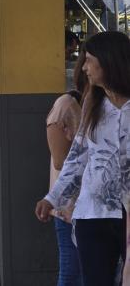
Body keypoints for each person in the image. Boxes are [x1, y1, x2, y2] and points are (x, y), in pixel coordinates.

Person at [36, 31, 130, 285]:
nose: (84, 67)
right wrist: (52, 198)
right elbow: (77, 158)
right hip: (93, 214)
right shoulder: (92, 104)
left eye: (89, 60)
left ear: (109, 62)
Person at [45, 50, 86, 286]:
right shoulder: (66, 105)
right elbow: (61, 161)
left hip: (97, 209)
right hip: (69, 209)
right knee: (72, 273)